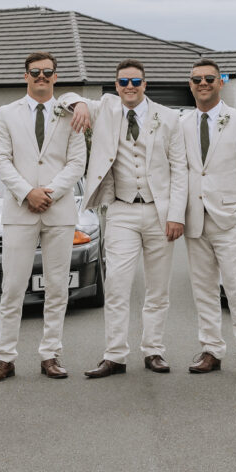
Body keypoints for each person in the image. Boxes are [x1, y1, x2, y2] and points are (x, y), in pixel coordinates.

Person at [61, 59, 187, 378]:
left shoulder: (169, 117)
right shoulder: (106, 107)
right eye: (123, 83)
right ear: (116, 86)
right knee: (117, 284)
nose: (129, 87)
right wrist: (77, 104)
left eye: (135, 82)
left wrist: (176, 214)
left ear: (145, 85)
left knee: (158, 289)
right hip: (121, 210)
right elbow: (63, 99)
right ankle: (114, 355)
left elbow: (180, 170)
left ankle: (154, 351)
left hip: (160, 212)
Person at [0, 52, 86, 383]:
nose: (41, 77)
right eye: (35, 72)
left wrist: (50, 192)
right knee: (12, 287)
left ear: (56, 77)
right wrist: (28, 192)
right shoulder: (6, 113)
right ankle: (5, 358)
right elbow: (0, 159)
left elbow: (77, 161)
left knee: (57, 287)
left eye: (47, 72)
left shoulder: (69, 114)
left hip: (59, 211)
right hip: (19, 210)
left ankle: (50, 355)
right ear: (25, 75)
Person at [182, 58, 236, 380]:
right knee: (203, 291)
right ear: (190, 85)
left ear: (221, 83)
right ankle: (211, 350)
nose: (202, 83)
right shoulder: (183, 124)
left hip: (231, 220)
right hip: (195, 221)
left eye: (208, 79)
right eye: (196, 79)